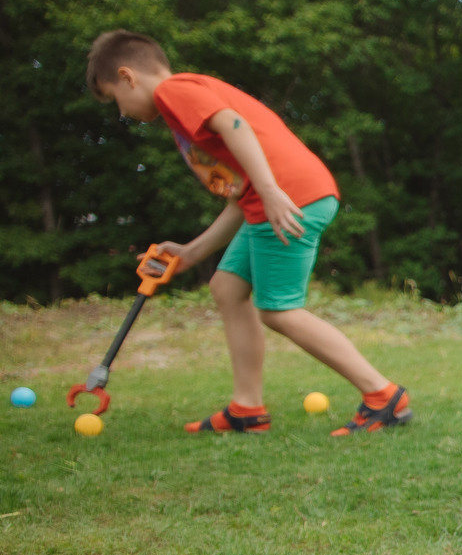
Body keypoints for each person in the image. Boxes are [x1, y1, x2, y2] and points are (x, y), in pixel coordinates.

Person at [86, 31, 414, 435]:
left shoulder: (175, 91)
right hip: (275, 199)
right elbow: (240, 195)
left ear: (128, 76)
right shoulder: (185, 102)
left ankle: (384, 396)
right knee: (226, 286)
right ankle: (247, 409)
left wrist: (273, 189)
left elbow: (235, 125)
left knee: (279, 309)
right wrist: (192, 251)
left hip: (292, 197)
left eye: (115, 100)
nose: (124, 113)